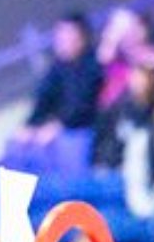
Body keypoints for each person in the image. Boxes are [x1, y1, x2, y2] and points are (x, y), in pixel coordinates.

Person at [8, 12, 99, 172]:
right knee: (18, 145)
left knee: (63, 144)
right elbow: (43, 101)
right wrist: (30, 125)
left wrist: (58, 126)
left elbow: (81, 106)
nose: (61, 40)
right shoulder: (57, 69)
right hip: (57, 129)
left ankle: (70, 188)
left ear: (82, 38)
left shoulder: (92, 67)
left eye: (67, 35)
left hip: (81, 129)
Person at [93, 58, 154, 170]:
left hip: (147, 167)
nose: (141, 82)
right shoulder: (118, 107)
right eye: (138, 77)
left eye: (146, 77)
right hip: (117, 166)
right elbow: (105, 137)